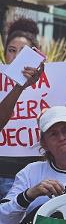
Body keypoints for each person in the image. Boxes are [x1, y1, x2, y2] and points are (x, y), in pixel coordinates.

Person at [0, 18, 44, 198]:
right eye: (11, 50)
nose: (17, 57)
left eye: (23, 52)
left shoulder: (53, 82)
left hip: (29, 176)